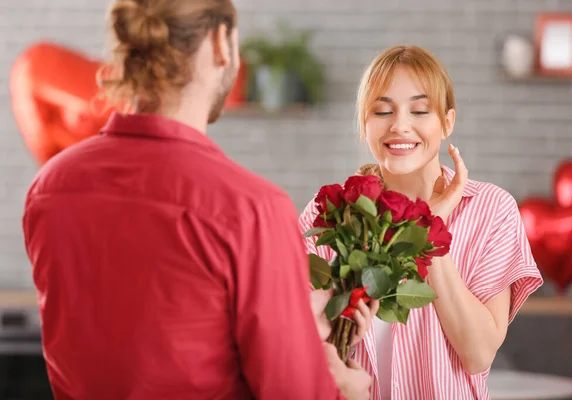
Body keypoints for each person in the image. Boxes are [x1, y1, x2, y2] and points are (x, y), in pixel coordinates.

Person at [22, 0, 372, 399]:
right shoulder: (253, 208)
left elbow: (154, 341)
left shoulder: (50, 188)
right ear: (222, 42)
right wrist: (348, 390)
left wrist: (297, 324)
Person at [299, 45, 544, 400]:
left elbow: (477, 355)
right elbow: (293, 342)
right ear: (365, 124)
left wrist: (432, 228)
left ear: (447, 122)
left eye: (419, 110)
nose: (399, 125)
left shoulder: (491, 210)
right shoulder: (330, 212)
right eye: (382, 110)